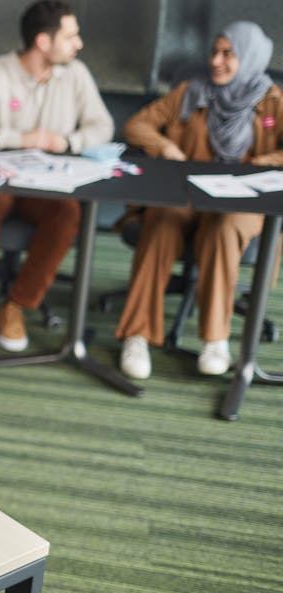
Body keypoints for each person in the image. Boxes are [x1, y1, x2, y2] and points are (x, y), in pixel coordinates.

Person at [116, 21, 283, 380]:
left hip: (241, 204)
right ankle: (137, 334)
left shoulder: (271, 100)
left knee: (223, 229)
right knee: (160, 222)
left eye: (228, 54)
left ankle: (215, 340)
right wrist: (166, 146)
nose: (216, 61)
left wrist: (262, 162)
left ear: (249, 58)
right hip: (185, 196)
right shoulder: (191, 92)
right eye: (214, 52)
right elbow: (137, 125)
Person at [0, 0, 113, 351]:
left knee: (68, 213)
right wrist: (21, 139)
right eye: (71, 36)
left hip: (47, 187)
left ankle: (18, 305)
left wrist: (68, 141)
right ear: (43, 42)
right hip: (3, 183)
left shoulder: (76, 75)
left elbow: (103, 126)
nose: (78, 44)